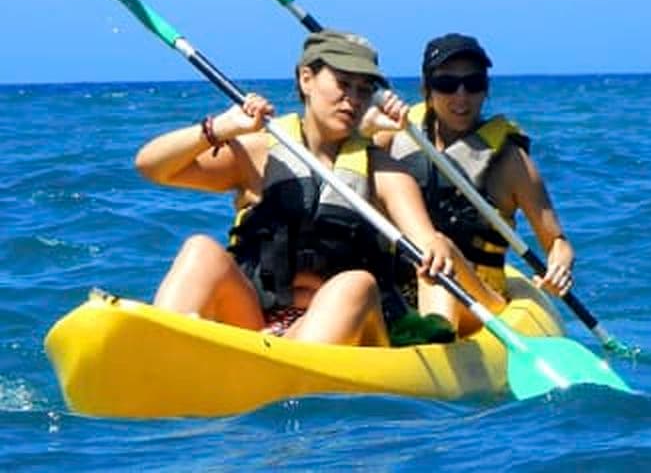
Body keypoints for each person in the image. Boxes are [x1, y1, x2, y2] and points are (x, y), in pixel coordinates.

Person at [135, 30, 504, 346]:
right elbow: (153, 167)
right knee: (200, 249)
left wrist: (435, 246)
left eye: (363, 89)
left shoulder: (383, 170)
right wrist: (221, 128)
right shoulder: (258, 151)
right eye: (342, 84)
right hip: (256, 320)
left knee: (356, 284)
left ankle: (294, 377)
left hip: (342, 331)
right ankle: (167, 346)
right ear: (306, 79)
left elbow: (424, 238)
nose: (353, 99)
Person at [366, 33, 575, 328]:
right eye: (447, 85)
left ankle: (434, 340)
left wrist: (559, 268)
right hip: (399, 291)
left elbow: (557, 243)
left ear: (486, 90)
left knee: (440, 251)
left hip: (477, 300)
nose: (461, 96)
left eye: (473, 84)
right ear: (426, 89)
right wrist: (365, 125)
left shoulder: (510, 162)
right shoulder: (393, 136)